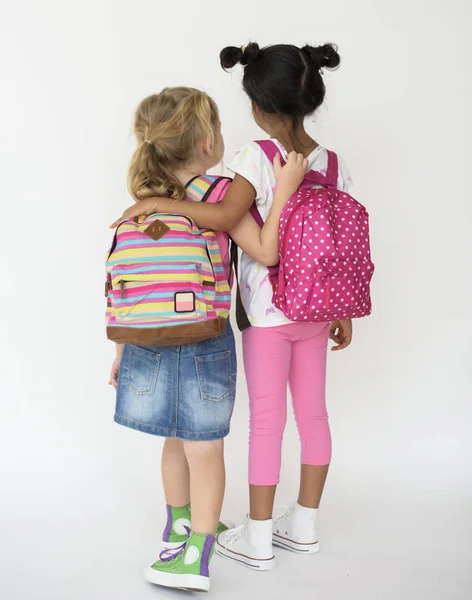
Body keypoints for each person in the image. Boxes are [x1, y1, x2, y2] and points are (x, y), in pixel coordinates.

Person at [112, 42, 354, 571]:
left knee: (252, 425)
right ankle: (301, 526)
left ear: (258, 105)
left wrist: (160, 203)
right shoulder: (331, 162)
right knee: (310, 416)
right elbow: (329, 244)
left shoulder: (253, 158)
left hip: (260, 317)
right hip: (311, 312)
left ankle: (247, 536)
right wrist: (344, 308)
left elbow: (218, 227)